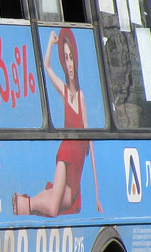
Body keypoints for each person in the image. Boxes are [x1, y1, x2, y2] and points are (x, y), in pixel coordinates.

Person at [14, 28, 101, 217]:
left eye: (71, 57)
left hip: (77, 168)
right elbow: (47, 66)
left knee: (66, 201)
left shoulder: (81, 97)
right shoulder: (63, 91)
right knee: (53, 209)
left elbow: (90, 141)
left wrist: (97, 195)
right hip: (66, 155)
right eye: (66, 58)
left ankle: (26, 202)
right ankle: (25, 204)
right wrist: (50, 44)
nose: (69, 64)